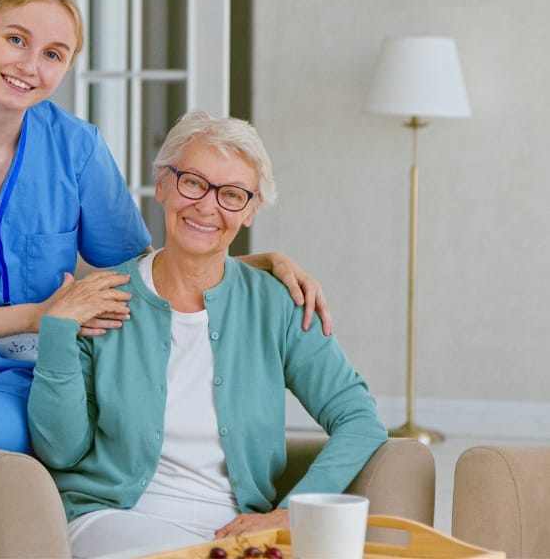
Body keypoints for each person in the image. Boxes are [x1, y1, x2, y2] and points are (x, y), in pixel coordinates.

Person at [0, 0, 331, 558]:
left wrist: (252, 261)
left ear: (65, 67)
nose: (30, 64)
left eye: (53, 54)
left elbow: (142, 268)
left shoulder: (76, 147)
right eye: (16, 39)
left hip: (20, 380)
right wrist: (40, 314)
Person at [27, 110, 388, 559]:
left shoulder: (276, 303)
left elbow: (358, 418)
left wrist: (291, 512)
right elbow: (60, 451)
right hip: (114, 519)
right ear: (162, 184)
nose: (207, 206)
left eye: (232, 194)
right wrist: (58, 333)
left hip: (235, 531)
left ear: (251, 210)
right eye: (193, 182)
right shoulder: (101, 298)